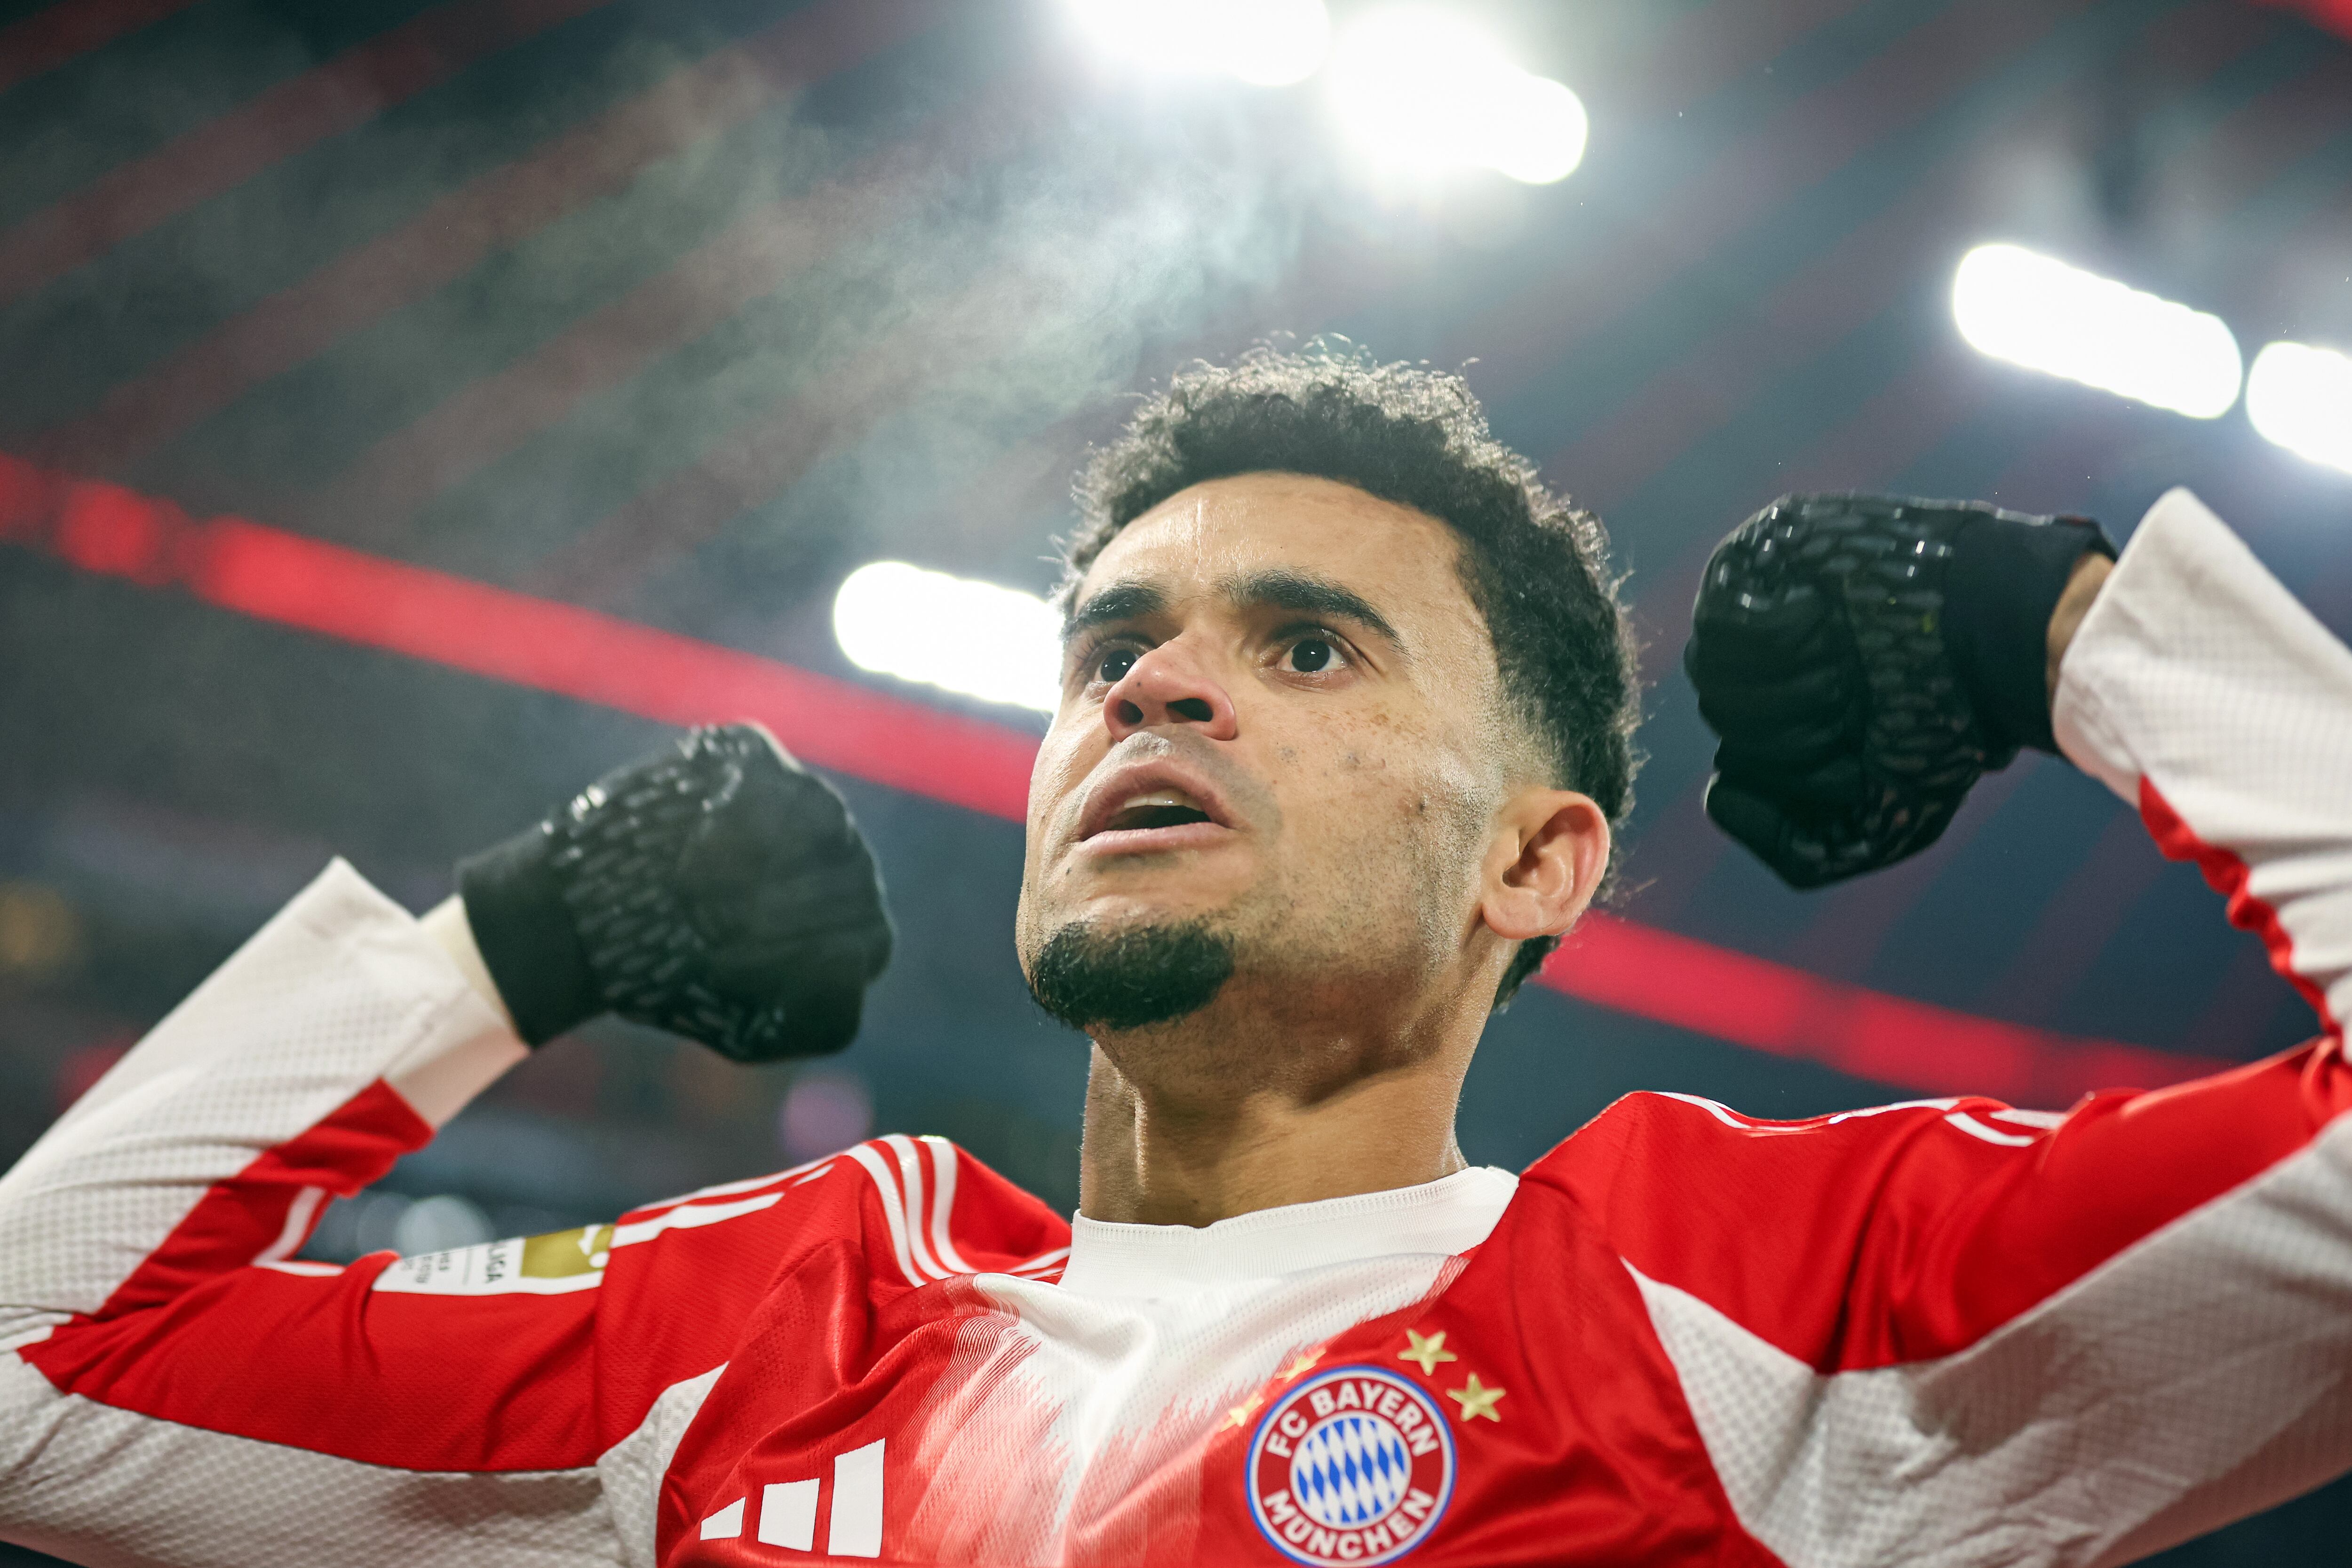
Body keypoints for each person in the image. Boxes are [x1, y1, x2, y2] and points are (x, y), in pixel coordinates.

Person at [0, 344, 2347, 1568]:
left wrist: (2067, 628)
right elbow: (37, 1373)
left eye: (1307, 648)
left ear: (1531, 866)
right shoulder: (761, 1322)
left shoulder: (1755, 1304)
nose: (1152, 690)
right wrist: (500, 950)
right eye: (1106, 650)